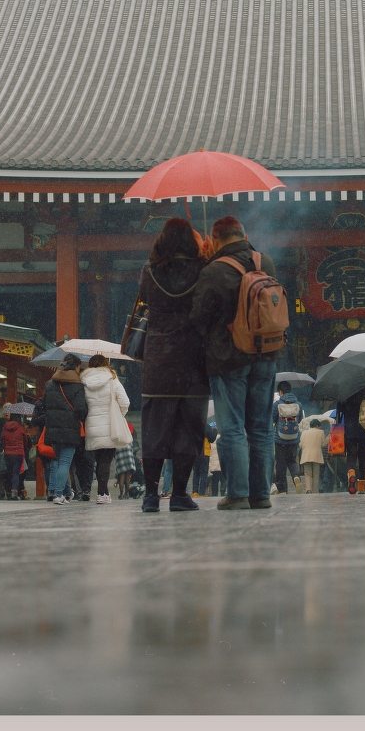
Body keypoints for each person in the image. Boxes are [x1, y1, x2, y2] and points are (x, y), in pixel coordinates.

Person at [190, 216, 283, 511]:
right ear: (244, 235)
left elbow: (198, 317)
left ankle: (238, 494)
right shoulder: (264, 262)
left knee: (231, 429)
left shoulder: (213, 270)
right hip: (266, 354)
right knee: (262, 428)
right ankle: (261, 494)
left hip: (228, 359)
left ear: (216, 239)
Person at [136, 218, 212, 513]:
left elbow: (144, 298)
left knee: (154, 431)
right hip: (193, 360)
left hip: (158, 360)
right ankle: (180, 494)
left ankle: (150, 495)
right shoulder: (202, 271)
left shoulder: (149, 271)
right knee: (188, 431)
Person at [33, 356, 86, 504]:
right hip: (70, 429)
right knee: (65, 463)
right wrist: (81, 417)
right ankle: (58, 494)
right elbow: (80, 408)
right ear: (76, 367)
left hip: (53, 429)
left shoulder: (51, 384)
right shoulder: (78, 385)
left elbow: (44, 404)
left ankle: (63, 492)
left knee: (57, 462)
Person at [81, 353, 132, 505]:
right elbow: (125, 402)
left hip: (92, 424)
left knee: (99, 460)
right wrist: (119, 414)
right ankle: (102, 493)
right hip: (110, 425)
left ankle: (103, 492)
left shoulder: (84, 382)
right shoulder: (113, 379)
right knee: (106, 461)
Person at [273, 382, 304, 494]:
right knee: (292, 460)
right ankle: (296, 477)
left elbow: (272, 419)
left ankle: (282, 489)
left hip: (280, 439)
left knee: (280, 463)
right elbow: (299, 419)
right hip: (294, 438)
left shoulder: (277, 404)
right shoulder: (298, 404)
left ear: (280, 392)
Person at [0, 404, 29, 498]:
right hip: (18, 454)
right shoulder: (21, 428)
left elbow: (1, 439)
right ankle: (14, 492)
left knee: (9, 473)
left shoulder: (5, 427)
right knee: (16, 473)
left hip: (8, 453)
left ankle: (8, 491)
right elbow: (25, 441)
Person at [299, 413, 329, 494]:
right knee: (316, 474)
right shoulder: (321, 432)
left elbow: (300, 445)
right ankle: (315, 490)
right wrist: (328, 438)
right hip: (316, 456)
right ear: (316, 426)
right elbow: (323, 444)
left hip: (306, 455)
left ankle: (308, 489)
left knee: (307, 473)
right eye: (319, 426)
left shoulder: (304, 433)